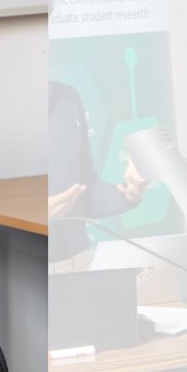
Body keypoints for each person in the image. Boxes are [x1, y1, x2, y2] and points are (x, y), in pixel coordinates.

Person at [48, 80, 149, 272]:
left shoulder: (68, 96)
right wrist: (39, 214)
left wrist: (125, 195)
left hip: (80, 263)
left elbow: (86, 188)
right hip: (28, 267)